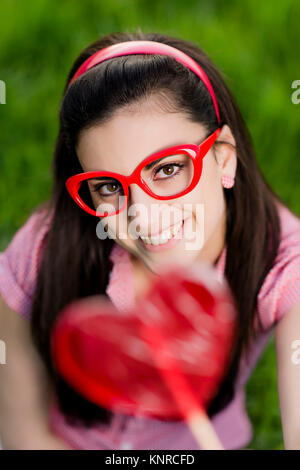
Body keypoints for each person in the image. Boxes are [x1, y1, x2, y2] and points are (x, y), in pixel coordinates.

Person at [1, 30, 300, 450]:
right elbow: (20, 430)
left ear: (224, 156)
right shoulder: (47, 248)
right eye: (108, 186)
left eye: (166, 170)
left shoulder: (285, 262)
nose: (142, 214)